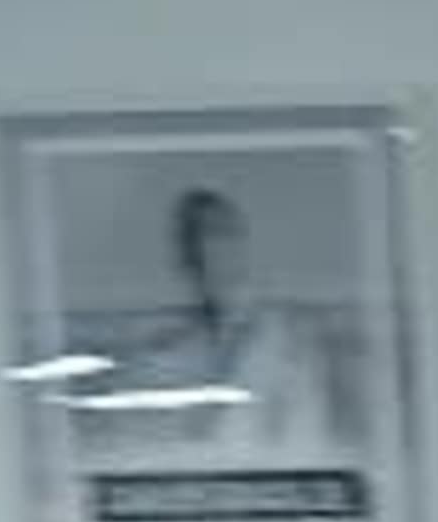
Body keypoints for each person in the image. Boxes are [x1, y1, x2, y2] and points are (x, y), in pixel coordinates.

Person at [111, 183, 345, 462]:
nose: (211, 249)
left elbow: (308, 441)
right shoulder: (161, 352)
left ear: (240, 245)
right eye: (197, 239)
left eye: (222, 234)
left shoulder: (290, 342)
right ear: (185, 257)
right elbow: (140, 447)